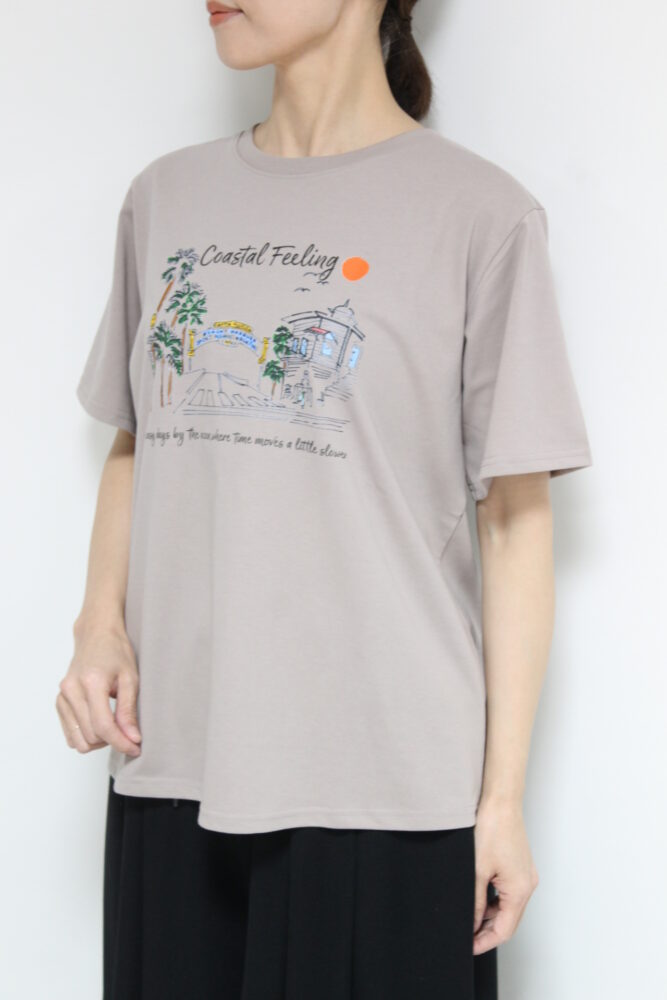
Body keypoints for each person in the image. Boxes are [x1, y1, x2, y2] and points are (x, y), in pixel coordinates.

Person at [56, 1, 594, 997]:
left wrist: (501, 802)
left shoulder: (481, 215)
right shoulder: (165, 199)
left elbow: (516, 524)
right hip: (174, 765)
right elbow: (136, 439)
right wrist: (99, 627)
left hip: (389, 795)